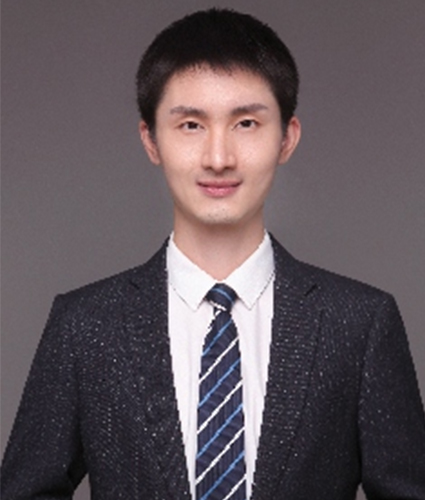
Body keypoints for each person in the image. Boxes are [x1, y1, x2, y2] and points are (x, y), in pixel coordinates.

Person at [2, 8, 425, 500]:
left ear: (287, 137)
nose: (218, 158)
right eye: (190, 125)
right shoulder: (86, 326)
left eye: (246, 123)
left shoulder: (359, 324)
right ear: (151, 140)